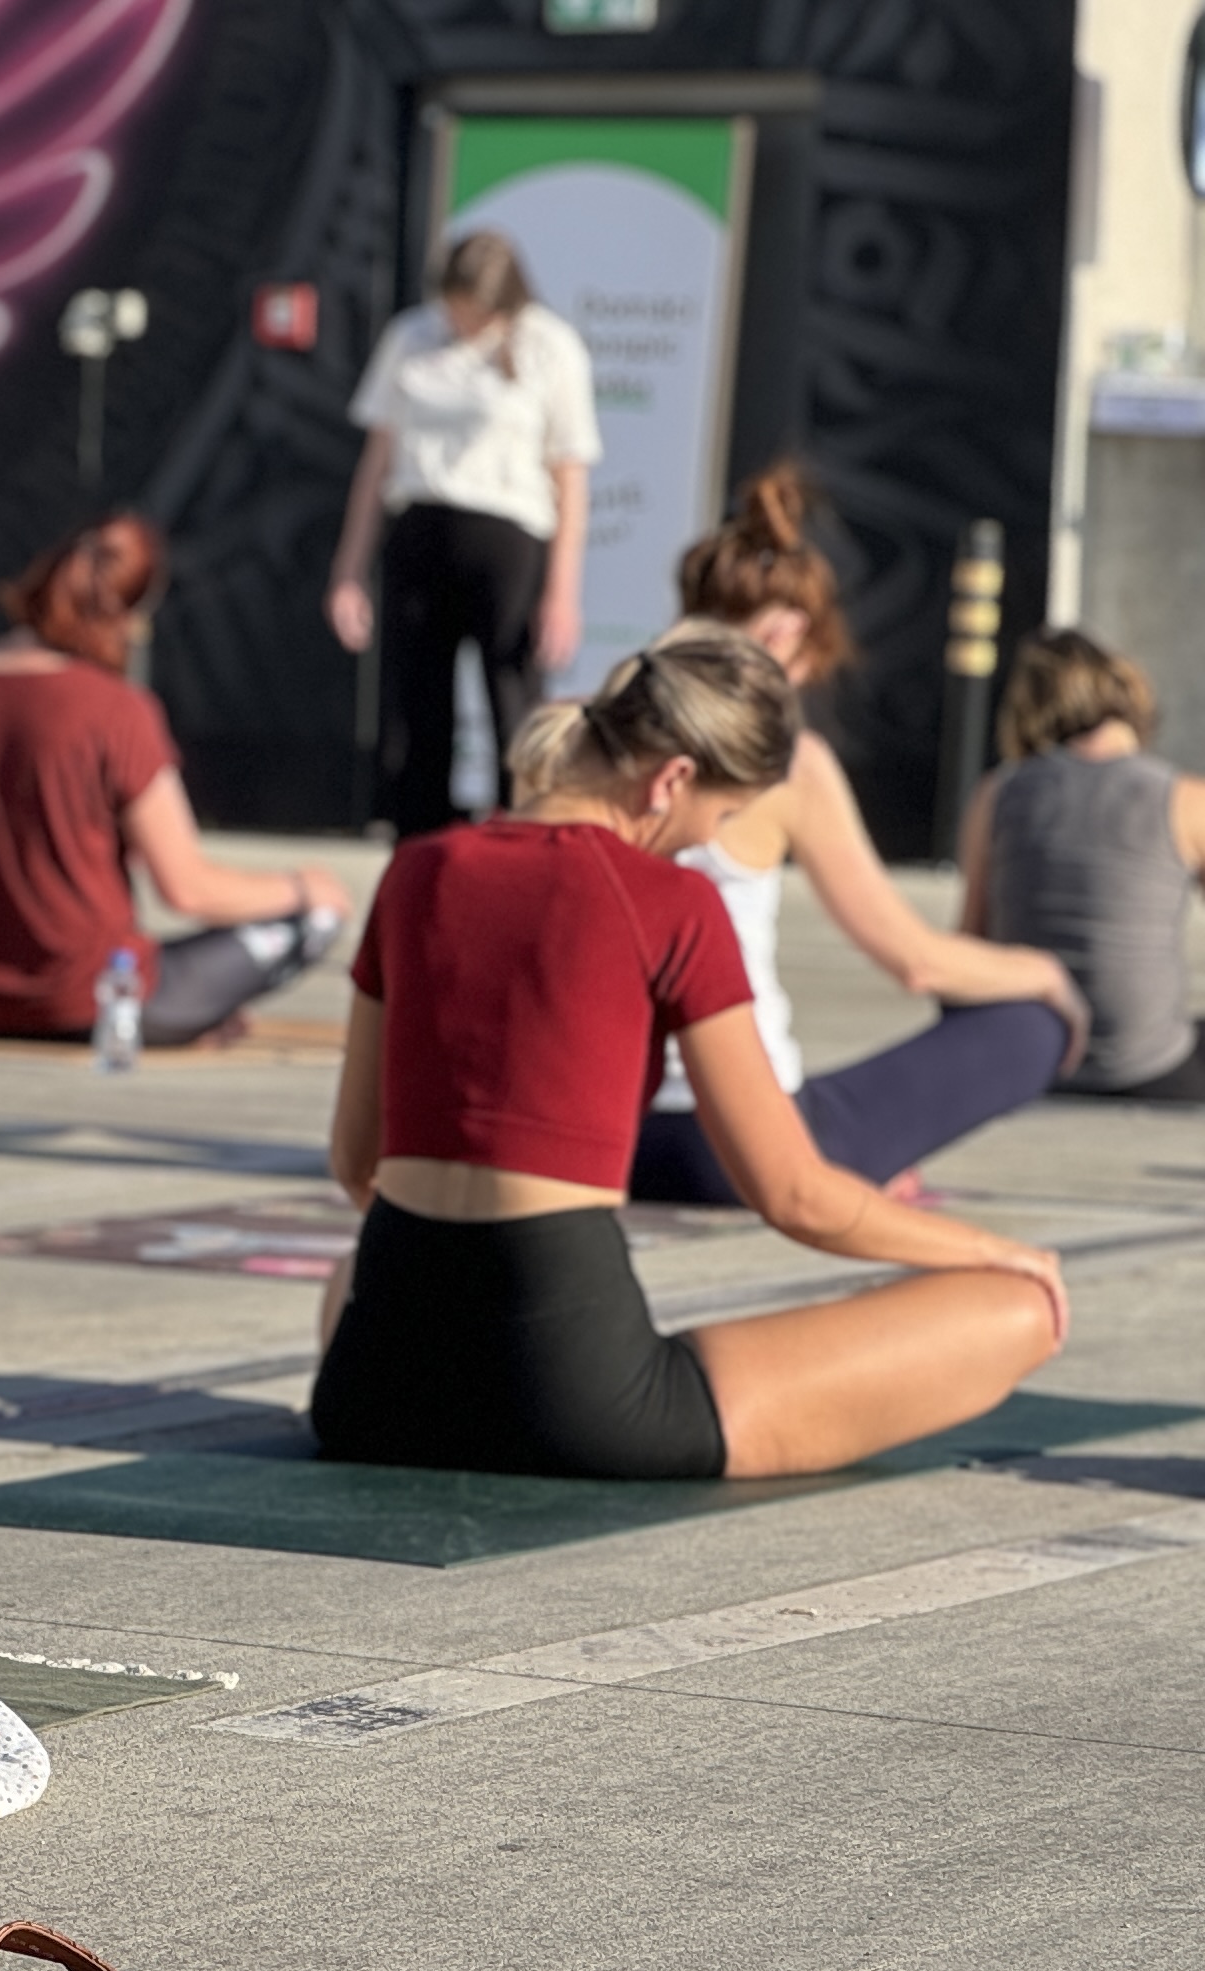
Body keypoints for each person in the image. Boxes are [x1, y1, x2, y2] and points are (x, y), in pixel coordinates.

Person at [314, 629, 1066, 1481]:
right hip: (580, 1403)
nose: (708, 840)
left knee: (353, 1274)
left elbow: (356, 1161)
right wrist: (991, 1250)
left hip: (371, 1392)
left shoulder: (417, 869)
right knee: (1018, 1309)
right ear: (670, 780)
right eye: (723, 816)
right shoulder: (674, 901)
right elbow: (794, 1194)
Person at [624, 471, 1079, 1200]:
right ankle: (863, 1159)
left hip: (606, 1135)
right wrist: (1048, 975)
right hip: (738, 1143)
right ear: (785, 637)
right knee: (1030, 1027)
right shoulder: (790, 763)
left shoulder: (587, 733)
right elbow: (916, 962)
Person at [0, 515, 351, 1045]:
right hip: (94, 1004)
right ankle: (194, 1013)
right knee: (317, 918)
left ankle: (193, 1014)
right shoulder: (116, 709)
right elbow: (187, 888)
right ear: (126, 617)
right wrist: (301, 888)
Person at [325, 230, 600, 835]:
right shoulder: (411, 337)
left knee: (512, 706)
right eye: (453, 305)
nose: (461, 321)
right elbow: (376, 464)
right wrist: (349, 571)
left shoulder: (550, 346)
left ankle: (520, 843)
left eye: (474, 310)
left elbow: (571, 478)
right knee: (418, 710)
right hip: (421, 528)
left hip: (508, 541)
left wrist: (562, 594)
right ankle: (422, 847)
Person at [962, 627, 1205, 1102]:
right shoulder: (1185, 799)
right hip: (1150, 1063)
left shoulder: (998, 793)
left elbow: (971, 943)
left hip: (1030, 1060)